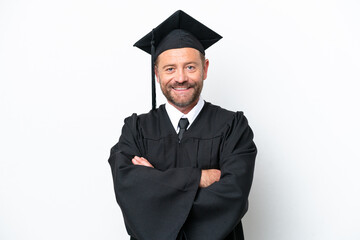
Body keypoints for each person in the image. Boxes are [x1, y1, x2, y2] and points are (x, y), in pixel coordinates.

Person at [108, 10, 257, 240]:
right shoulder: (136, 129)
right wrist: (198, 178)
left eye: (190, 67)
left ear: (205, 69)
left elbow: (232, 198)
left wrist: (155, 183)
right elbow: (130, 193)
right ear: (156, 74)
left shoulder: (233, 127)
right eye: (170, 69)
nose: (180, 78)